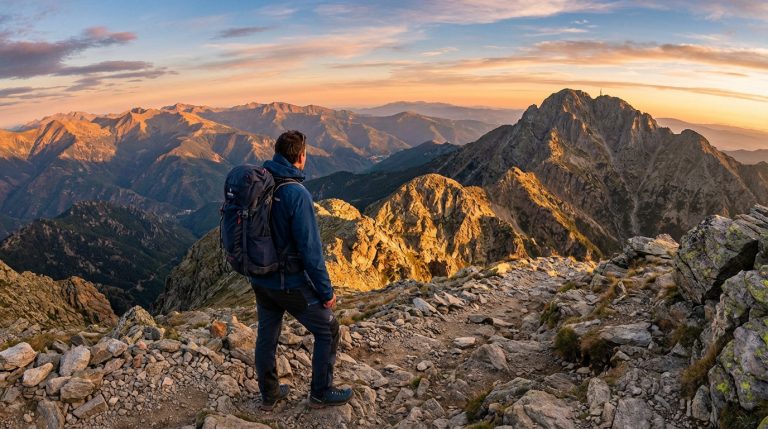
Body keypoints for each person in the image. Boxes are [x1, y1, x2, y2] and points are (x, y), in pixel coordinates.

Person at [252, 130, 353, 410]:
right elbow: (311, 251)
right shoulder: (296, 194)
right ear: (301, 157)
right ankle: (321, 393)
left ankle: (270, 395)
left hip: (260, 279)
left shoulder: (260, 183)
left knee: (267, 336)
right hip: (289, 282)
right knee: (328, 330)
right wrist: (326, 292)